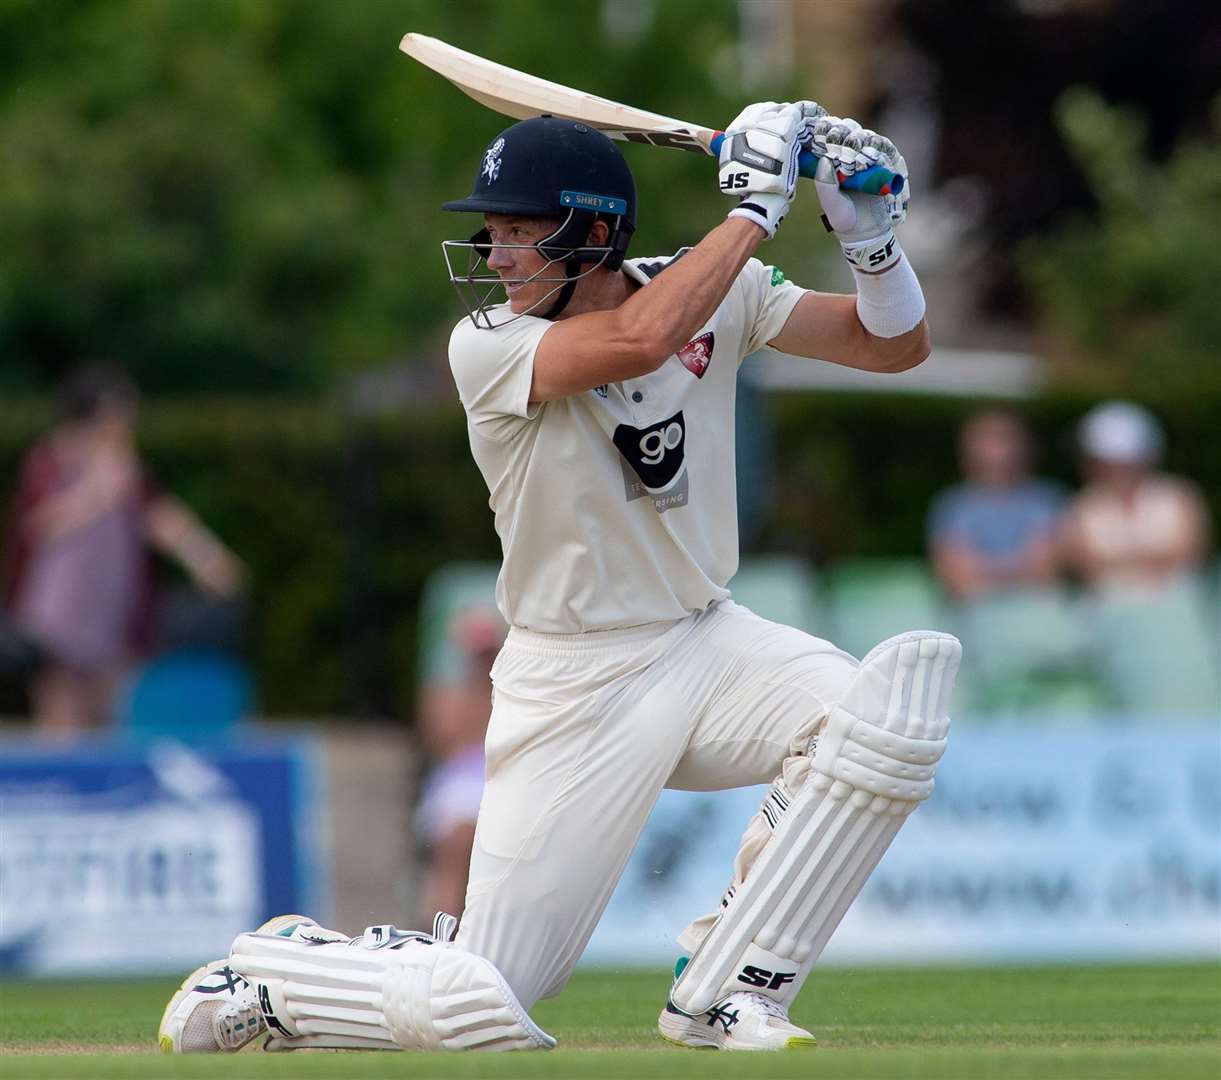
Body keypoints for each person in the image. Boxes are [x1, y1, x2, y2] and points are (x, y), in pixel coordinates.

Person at [160, 105, 961, 1054]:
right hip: (571, 684)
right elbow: (635, 345)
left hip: (706, 640)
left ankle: (728, 986)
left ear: (591, 233)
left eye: (514, 232)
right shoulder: (488, 345)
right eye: (489, 233)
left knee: (879, 721)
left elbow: (890, 346)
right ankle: (280, 969)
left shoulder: (713, 290)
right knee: (478, 1003)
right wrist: (755, 204)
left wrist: (869, 238)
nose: (494, 258)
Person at [3, 364, 245, 736]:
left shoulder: (126, 465)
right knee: (62, 712)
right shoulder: (49, 461)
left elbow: (161, 516)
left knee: (111, 710)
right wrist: (96, 494)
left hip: (113, 609)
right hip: (62, 612)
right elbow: (37, 526)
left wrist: (207, 558)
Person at [1061, 400, 1216, 713]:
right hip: (1112, 617)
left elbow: (1192, 552)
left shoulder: (1179, 496)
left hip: (1177, 611)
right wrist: (1153, 559)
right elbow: (1085, 565)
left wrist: (1121, 562)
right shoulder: (1083, 506)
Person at [414, 606, 504, 923]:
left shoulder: (514, 690)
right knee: (456, 844)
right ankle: (442, 922)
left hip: (499, 774)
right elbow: (442, 739)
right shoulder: (449, 694)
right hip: (463, 780)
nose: (485, 663)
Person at [927, 408, 1065, 601]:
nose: (996, 451)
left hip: (1036, 613)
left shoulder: (1047, 499)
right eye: (987, 439)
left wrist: (984, 572)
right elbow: (959, 577)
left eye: (1003, 438)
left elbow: (1045, 568)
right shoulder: (951, 504)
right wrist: (1019, 569)